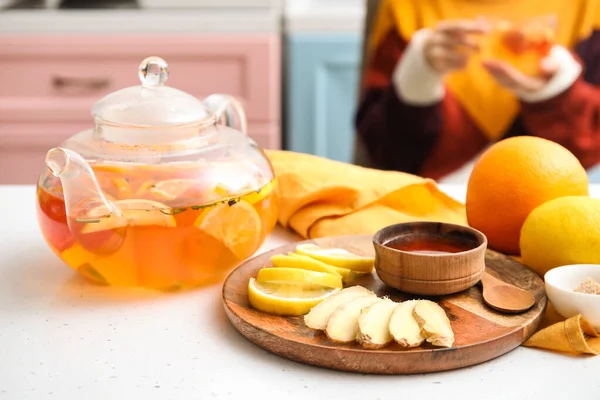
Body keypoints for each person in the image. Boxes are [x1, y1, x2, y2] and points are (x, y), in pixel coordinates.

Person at [355, 0, 600, 182]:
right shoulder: (406, 8)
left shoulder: (588, 12)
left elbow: (588, 149)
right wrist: (420, 71)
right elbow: (384, 153)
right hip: (426, 213)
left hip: (544, 209)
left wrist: (554, 92)